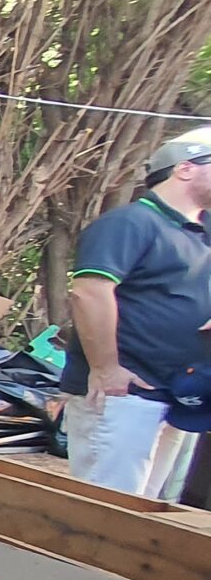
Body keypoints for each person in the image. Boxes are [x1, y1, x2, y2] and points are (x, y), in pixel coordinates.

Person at [60, 137, 211, 496]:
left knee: (144, 515)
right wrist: (105, 368)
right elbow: (89, 292)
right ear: (185, 169)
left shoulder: (201, 235)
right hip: (124, 393)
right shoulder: (131, 222)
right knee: (108, 508)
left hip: (178, 394)